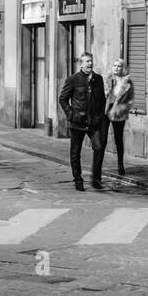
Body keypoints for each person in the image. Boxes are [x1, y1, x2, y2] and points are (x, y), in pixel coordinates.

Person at [58, 51, 107, 191]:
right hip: (78, 122)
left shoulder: (98, 79)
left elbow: (102, 100)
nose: (90, 63)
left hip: (94, 122)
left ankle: (96, 179)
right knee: (75, 152)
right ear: (81, 64)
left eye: (91, 61)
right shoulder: (73, 79)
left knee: (99, 148)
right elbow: (63, 99)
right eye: (87, 61)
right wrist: (71, 115)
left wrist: (100, 117)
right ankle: (78, 179)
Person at [105, 58, 135, 176]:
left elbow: (130, 101)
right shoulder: (108, 79)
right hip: (106, 110)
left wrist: (119, 109)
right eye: (114, 65)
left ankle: (120, 164)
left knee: (118, 139)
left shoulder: (128, 82)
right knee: (102, 139)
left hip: (118, 112)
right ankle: (99, 165)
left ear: (123, 68)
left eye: (119, 66)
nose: (116, 68)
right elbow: (105, 95)